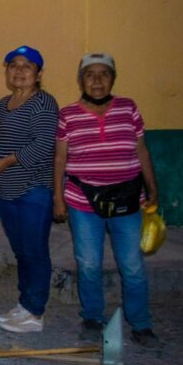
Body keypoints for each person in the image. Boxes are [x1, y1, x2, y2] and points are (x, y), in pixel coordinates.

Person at [53, 53, 162, 348]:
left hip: (128, 200)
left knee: (132, 265)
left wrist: (152, 188)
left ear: (113, 78)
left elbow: (141, 151)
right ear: (81, 80)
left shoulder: (128, 109)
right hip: (83, 202)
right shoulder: (68, 115)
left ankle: (141, 324)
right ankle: (92, 318)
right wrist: (58, 198)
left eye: (104, 74)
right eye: (90, 75)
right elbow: (60, 159)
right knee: (89, 263)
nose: (97, 80)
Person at [0, 46, 58, 333]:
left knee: (35, 250)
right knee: (20, 250)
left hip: (33, 190)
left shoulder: (43, 102)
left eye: (27, 66)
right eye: (13, 65)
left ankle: (35, 311)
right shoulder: (3, 104)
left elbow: (44, 144)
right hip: (7, 191)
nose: (19, 71)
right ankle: (24, 303)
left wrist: (8, 161)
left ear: (38, 74)